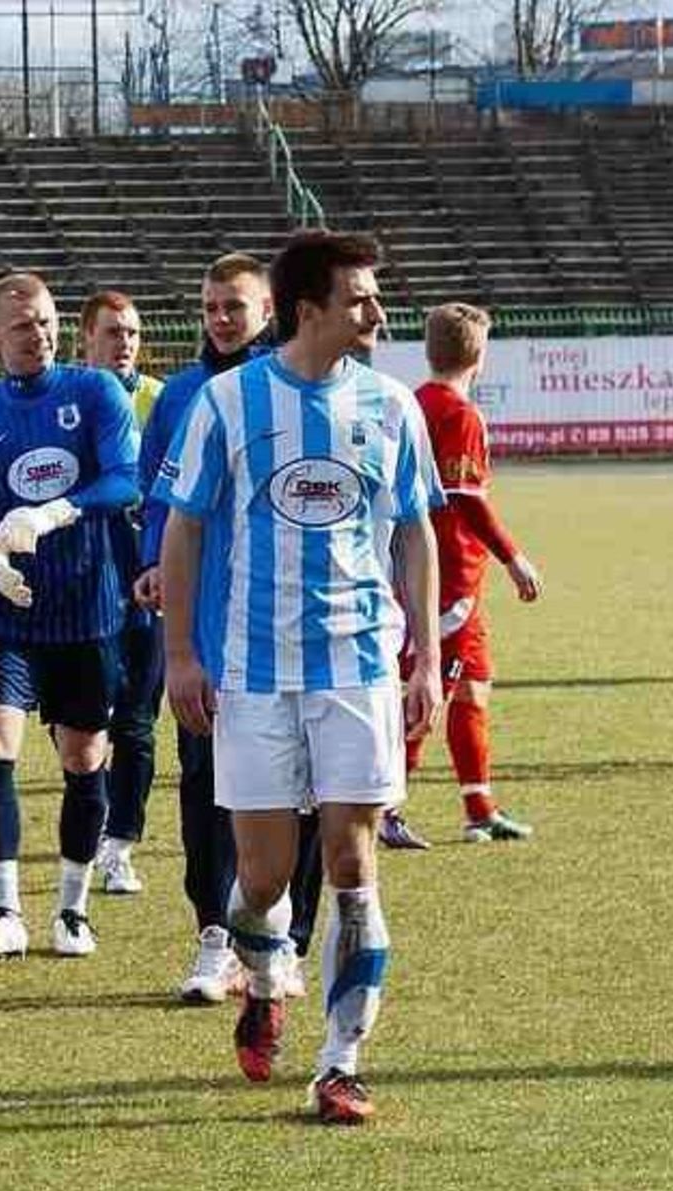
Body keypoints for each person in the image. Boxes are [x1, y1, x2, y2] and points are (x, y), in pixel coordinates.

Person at [156, 229, 444, 1125]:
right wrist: (180, 655)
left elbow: (415, 533)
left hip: (358, 665)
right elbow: (185, 529)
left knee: (354, 864)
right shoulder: (230, 403)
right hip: (251, 672)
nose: (377, 311)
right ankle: (265, 972)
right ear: (308, 306)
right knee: (264, 876)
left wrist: (427, 656)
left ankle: (340, 1063)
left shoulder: (393, 407)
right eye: (360, 297)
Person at [136, 253, 316, 1002]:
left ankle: (290, 940)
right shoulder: (183, 395)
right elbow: (160, 500)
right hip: (209, 630)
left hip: (286, 629)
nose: (219, 318)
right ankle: (214, 935)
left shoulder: (296, 390)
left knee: (300, 791)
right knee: (208, 785)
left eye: (233, 307)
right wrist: (151, 564)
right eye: (210, 305)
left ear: (268, 310)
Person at [0, 272, 140, 962]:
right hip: (5, 611)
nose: (41, 334)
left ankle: (72, 909)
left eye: (49, 321)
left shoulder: (94, 392)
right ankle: (3, 909)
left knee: (84, 758)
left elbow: (126, 477)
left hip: (87, 608)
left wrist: (56, 511)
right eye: (24, 325)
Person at [398, 303, 544, 843]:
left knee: (473, 690)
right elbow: (465, 499)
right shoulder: (459, 414)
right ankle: (387, 806)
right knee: (427, 689)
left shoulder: (413, 403)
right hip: (449, 575)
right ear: (479, 356)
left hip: (442, 572)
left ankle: (479, 806)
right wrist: (514, 557)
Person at [80, 290, 162, 897]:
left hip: (151, 582)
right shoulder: (72, 400)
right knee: (84, 723)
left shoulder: (159, 399)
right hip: (84, 584)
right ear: (87, 339)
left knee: (137, 719)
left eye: (131, 332)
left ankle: (120, 844)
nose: (124, 342)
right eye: (112, 332)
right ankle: (85, 829)